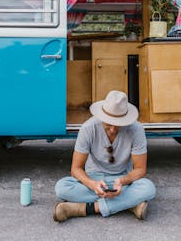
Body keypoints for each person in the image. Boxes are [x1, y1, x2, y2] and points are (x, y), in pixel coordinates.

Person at [53, 90, 156, 222]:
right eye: (108, 123)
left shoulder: (136, 129)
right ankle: (129, 205)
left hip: (122, 179)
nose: (113, 129)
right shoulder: (88, 128)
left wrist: (122, 181)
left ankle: (81, 209)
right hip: (94, 178)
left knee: (149, 188)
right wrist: (92, 184)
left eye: (118, 124)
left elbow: (140, 169)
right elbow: (76, 169)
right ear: (102, 117)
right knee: (62, 187)